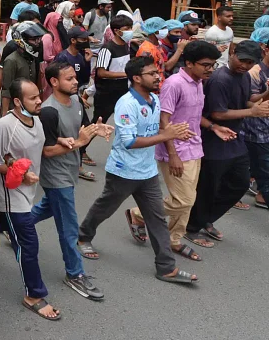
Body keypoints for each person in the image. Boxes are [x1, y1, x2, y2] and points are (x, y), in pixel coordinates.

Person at [77, 57, 199, 284]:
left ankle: (166, 268)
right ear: (136, 78)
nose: (157, 76)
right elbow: (129, 142)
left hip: (147, 171)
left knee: (157, 219)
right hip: (123, 171)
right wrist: (167, 136)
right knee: (105, 208)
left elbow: (163, 128)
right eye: (152, 73)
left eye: (157, 72)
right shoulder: (127, 104)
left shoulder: (154, 99)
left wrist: (175, 134)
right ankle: (83, 237)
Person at [127, 41, 232, 261]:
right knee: (183, 200)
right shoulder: (174, 84)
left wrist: (213, 127)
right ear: (189, 63)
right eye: (205, 65)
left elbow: (191, 116)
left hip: (195, 147)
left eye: (212, 65)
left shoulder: (198, 83)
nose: (210, 69)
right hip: (175, 150)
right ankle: (138, 214)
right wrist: (172, 154)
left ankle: (175, 239)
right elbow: (164, 121)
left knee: (188, 199)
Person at [33, 62, 107, 300]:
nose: (76, 82)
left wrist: (97, 129)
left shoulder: (75, 102)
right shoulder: (48, 111)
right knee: (69, 227)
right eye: (69, 79)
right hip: (56, 176)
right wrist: (80, 142)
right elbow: (46, 151)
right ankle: (74, 273)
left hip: (70, 169)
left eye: (75, 78)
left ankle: (8, 223)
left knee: (47, 207)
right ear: (54, 82)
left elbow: (82, 130)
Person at [187, 40, 269, 243]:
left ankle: (206, 218)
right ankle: (192, 227)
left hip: (234, 138)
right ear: (233, 53)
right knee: (208, 186)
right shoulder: (220, 79)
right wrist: (252, 112)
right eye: (242, 60)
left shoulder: (243, 77)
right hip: (214, 138)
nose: (245, 65)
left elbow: (248, 101)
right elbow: (218, 113)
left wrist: (265, 96)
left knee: (239, 183)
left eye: (250, 62)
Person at [0, 78, 61, 320]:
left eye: (38, 95)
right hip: (10, 196)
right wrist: (20, 175)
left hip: (28, 193)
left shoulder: (37, 121)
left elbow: (40, 148)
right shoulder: (4, 126)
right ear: (18, 102)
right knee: (28, 244)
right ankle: (34, 294)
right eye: (33, 98)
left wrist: (71, 142)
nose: (39, 100)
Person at [243, 28, 269, 209]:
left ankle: (260, 193)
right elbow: (249, 101)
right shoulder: (255, 71)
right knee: (264, 166)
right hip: (257, 125)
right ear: (266, 49)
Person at [93, 14, 133, 123]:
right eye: (126, 29)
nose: (130, 31)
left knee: (125, 122)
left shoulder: (126, 46)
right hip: (107, 94)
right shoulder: (107, 49)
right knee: (97, 123)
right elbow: (101, 73)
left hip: (123, 91)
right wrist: (126, 74)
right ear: (116, 31)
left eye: (131, 28)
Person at [0, 21, 45, 114]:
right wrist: (4, 114)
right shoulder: (11, 61)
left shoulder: (33, 58)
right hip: (15, 109)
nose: (38, 42)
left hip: (30, 106)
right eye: (34, 39)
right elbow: (6, 90)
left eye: (38, 39)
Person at [204, 5, 235, 69]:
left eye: (232, 16)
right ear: (219, 17)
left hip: (226, 65)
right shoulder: (212, 32)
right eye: (228, 16)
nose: (231, 18)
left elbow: (231, 49)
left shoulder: (230, 30)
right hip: (215, 66)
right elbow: (206, 52)